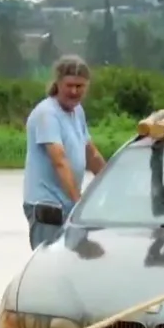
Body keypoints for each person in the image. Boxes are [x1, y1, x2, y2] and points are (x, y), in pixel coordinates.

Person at [22, 55, 107, 249]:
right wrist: (79, 203)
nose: (74, 91)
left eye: (79, 86)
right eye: (69, 85)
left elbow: (91, 153)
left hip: (68, 205)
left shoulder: (77, 111)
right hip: (47, 207)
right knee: (50, 262)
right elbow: (59, 160)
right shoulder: (47, 114)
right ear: (58, 83)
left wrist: (113, 183)